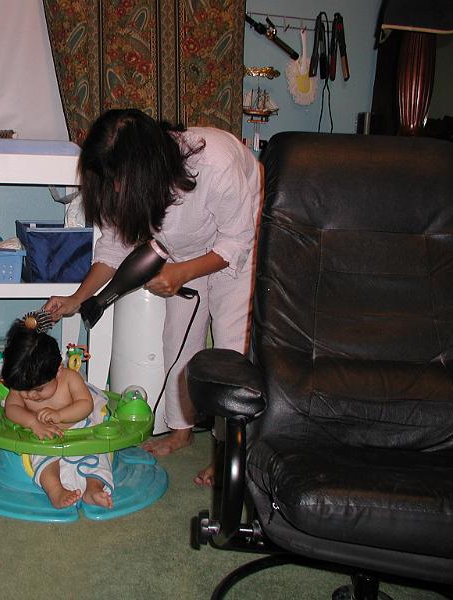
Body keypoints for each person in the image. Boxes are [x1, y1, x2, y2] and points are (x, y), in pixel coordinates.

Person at [43, 108, 261, 486]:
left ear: (147, 168)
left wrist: (181, 273)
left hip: (236, 242)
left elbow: (235, 241)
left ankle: (231, 453)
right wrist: (77, 298)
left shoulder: (217, 164)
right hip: (183, 247)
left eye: (119, 180)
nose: (112, 189)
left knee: (230, 346)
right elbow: (111, 250)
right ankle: (180, 431)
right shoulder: (117, 180)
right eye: (106, 179)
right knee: (176, 338)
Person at [1, 320, 114, 509]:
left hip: (79, 429)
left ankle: (93, 489)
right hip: (45, 436)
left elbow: (86, 405)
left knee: (97, 455)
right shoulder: (22, 385)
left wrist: (60, 415)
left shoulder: (70, 378)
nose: (30, 396)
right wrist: (32, 422)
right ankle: (56, 491)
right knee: (42, 459)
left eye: (39, 389)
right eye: (23, 390)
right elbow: (11, 408)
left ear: (58, 370)